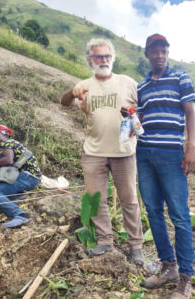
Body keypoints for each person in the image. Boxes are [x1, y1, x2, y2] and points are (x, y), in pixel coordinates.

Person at [60, 38, 144, 265]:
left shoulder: (127, 82)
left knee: (129, 200)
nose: (104, 60)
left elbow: (144, 107)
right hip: (94, 152)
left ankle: (136, 246)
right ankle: (105, 241)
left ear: (113, 58)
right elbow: (64, 102)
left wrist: (137, 122)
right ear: (90, 60)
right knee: (96, 199)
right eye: (99, 57)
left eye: (107, 56)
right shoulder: (84, 85)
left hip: (124, 151)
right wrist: (72, 92)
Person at [136, 33, 195, 299]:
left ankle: (185, 277)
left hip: (172, 154)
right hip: (144, 154)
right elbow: (138, 119)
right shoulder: (141, 86)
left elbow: (190, 112)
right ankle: (168, 266)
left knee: (180, 215)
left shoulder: (180, 77)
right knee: (152, 210)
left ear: (167, 53)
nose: (159, 55)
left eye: (163, 51)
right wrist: (129, 119)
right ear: (147, 55)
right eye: (154, 51)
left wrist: (190, 146)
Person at [0, 125, 41, 228]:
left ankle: (20, 215)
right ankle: (17, 194)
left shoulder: (8, 143)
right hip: (30, 177)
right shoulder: (14, 145)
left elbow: (8, 160)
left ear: (5, 134)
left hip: (27, 177)